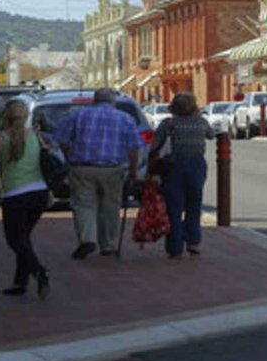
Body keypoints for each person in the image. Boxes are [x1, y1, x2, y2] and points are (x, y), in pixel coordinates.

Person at [0, 99, 50, 297]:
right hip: (39, 192)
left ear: (5, 115)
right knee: (24, 238)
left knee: (15, 240)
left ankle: (39, 271)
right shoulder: (35, 135)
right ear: (26, 116)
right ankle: (20, 282)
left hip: (15, 194)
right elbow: (44, 163)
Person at [54, 88, 143, 260]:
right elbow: (134, 148)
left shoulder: (77, 115)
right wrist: (133, 171)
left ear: (94, 100)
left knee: (83, 205)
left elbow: (62, 139)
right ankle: (108, 244)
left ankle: (87, 238)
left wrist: (69, 158)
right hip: (113, 169)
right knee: (110, 207)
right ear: (113, 101)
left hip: (83, 167)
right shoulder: (125, 118)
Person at [150, 92, 215, 259]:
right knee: (194, 203)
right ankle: (193, 241)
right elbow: (211, 135)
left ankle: (175, 246)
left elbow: (154, 145)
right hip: (196, 164)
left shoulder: (169, 124)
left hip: (174, 165)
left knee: (174, 206)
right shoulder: (201, 122)